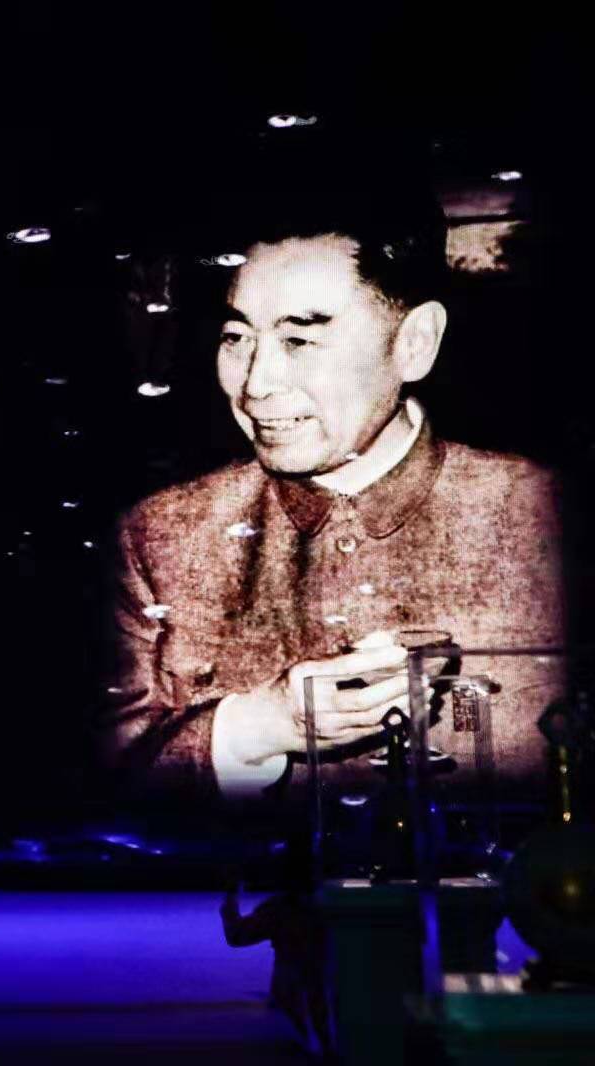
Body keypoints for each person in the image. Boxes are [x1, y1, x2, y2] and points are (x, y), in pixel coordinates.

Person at [106, 162, 563, 802]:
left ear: (414, 343)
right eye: (236, 336)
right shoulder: (158, 537)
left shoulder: (549, 519)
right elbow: (93, 789)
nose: (256, 383)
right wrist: (257, 728)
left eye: (299, 340)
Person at [221, 833, 334, 1057]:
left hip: (295, 1001)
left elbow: (237, 935)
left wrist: (230, 897)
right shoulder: (333, 904)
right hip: (329, 1002)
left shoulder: (281, 909)